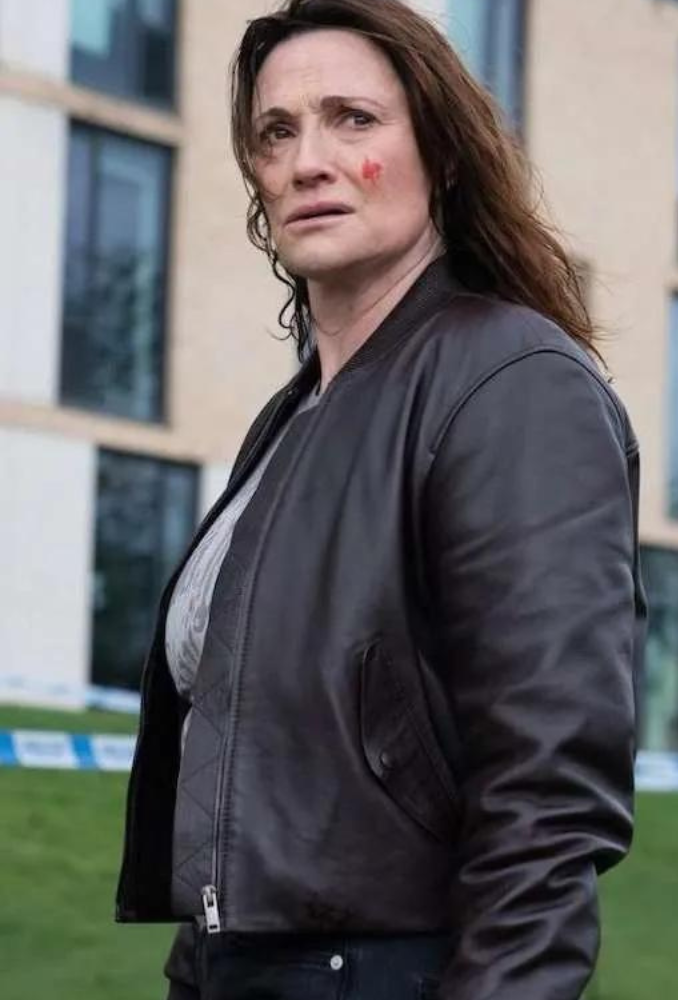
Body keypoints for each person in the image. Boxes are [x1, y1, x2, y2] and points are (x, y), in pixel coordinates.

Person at [115, 1, 648, 998]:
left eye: (352, 119)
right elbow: (231, 759)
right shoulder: (294, 420)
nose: (307, 161)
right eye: (276, 132)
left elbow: (546, 805)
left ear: (439, 153)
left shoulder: (511, 384)